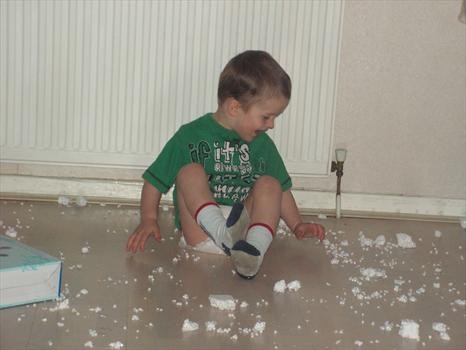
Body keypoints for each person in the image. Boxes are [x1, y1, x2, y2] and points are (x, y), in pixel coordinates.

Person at [126, 50, 326, 279]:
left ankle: (253, 253)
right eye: (266, 117)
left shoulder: (262, 144)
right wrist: (149, 219)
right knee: (189, 172)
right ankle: (224, 234)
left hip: (245, 235)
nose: (271, 125)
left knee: (271, 184)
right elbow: (155, 179)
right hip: (202, 232)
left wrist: (297, 224)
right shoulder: (190, 136)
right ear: (234, 108)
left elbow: (281, 190)